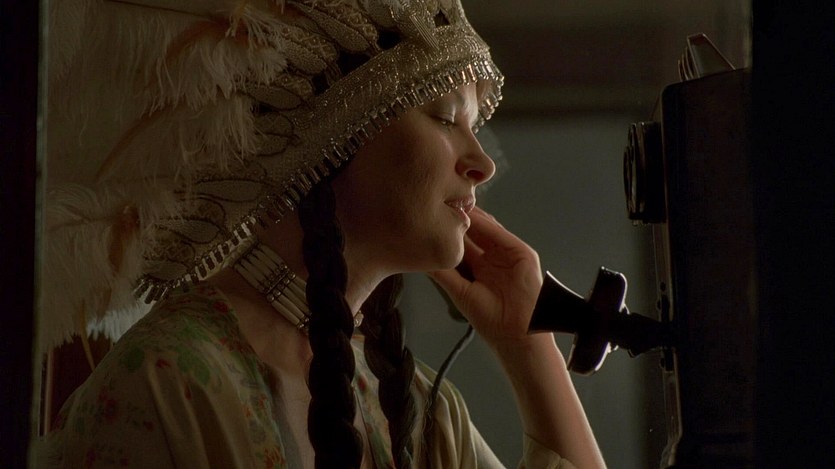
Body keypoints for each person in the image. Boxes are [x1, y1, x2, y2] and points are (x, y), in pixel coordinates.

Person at [36, 0, 606, 467]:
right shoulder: (170, 381)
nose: (482, 163)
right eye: (443, 117)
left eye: (474, 127)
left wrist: (525, 342)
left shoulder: (421, 412)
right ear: (336, 127)